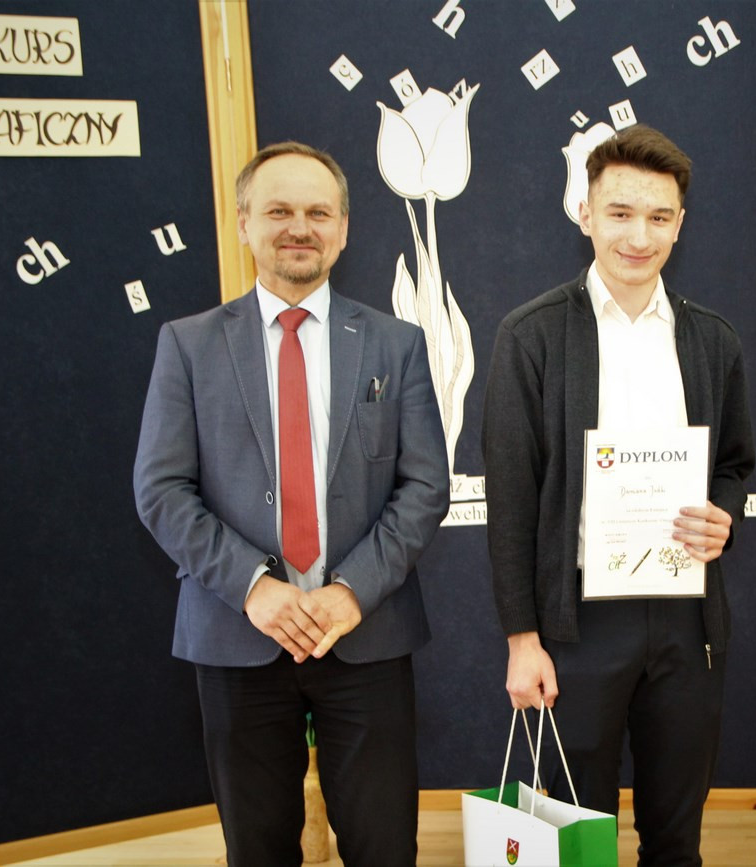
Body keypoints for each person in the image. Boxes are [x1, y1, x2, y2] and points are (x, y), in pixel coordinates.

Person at [134, 141, 450, 866]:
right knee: (259, 850)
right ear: (244, 222)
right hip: (236, 634)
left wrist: (349, 591)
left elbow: (425, 486)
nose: (299, 228)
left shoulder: (396, 344)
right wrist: (255, 587)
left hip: (365, 634)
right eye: (278, 211)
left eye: (318, 212)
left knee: (384, 848)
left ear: (343, 228)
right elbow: (161, 489)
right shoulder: (187, 345)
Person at [482, 125, 755, 865]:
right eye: (620, 213)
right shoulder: (531, 335)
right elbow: (511, 500)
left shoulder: (713, 339)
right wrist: (522, 639)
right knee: (577, 840)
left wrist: (723, 519)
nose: (639, 236)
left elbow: (734, 466)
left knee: (677, 838)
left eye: (659, 217)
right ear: (586, 214)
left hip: (686, 618)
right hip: (575, 624)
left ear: (680, 224)